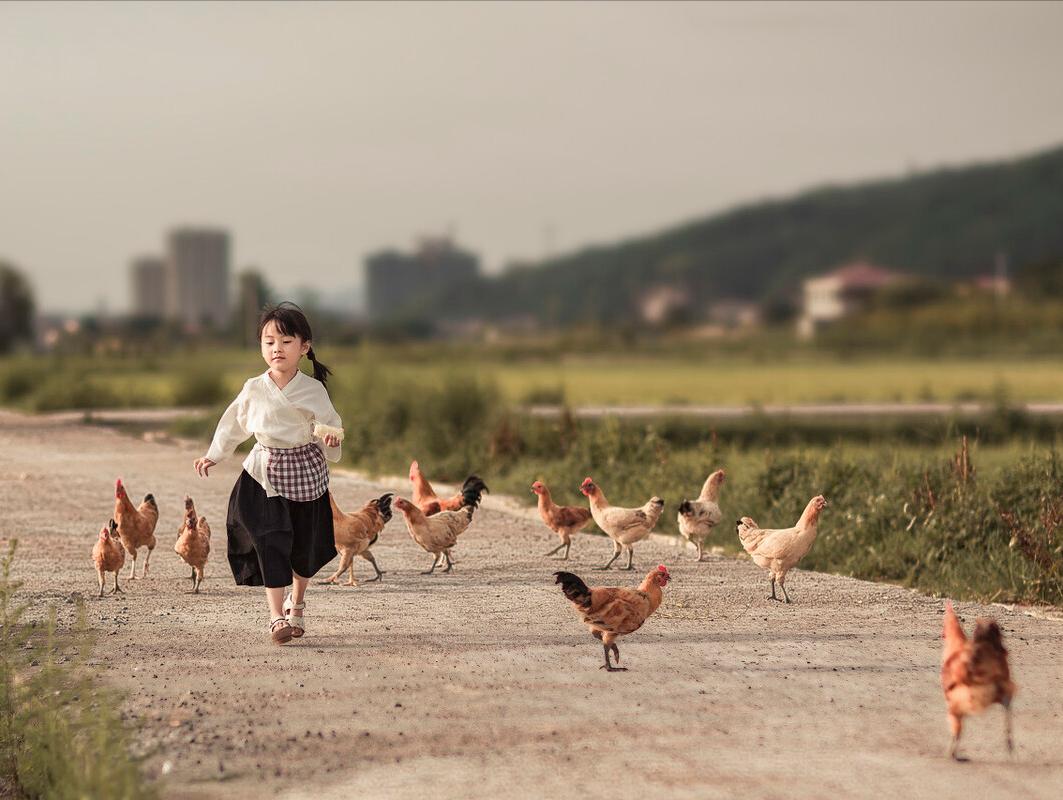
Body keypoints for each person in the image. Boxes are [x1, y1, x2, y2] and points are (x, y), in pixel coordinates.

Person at [194, 302, 343, 644]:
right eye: (268, 341)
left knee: (304, 547)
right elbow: (233, 423)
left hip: (305, 472)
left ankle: (298, 603)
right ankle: (277, 617)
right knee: (269, 539)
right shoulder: (253, 388)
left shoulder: (313, 390)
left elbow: (330, 427)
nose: (277, 348)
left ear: (304, 347)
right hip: (264, 474)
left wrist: (331, 437)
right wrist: (214, 454)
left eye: (286, 341)